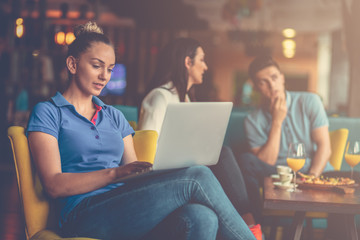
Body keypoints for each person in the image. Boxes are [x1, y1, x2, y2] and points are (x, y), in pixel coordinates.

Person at [26, 22, 255, 240]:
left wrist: (167, 173)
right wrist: (114, 174)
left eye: (110, 69)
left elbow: (135, 176)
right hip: (82, 214)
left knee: (202, 215)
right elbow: (53, 185)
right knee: (198, 175)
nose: (105, 75)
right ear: (73, 65)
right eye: (96, 66)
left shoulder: (114, 116)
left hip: (124, 206)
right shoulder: (48, 112)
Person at [138, 37, 263, 240]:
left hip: (187, 169)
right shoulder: (159, 96)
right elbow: (147, 153)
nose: (205, 66)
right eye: (202, 60)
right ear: (187, 62)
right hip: (166, 178)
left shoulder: (185, 98)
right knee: (223, 154)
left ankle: (248, 224)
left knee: (226, 158)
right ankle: (249, 226)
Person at [238, 55, 334, 223]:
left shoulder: (310, 101)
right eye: (263, 82)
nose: (271, 85)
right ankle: (255, 229)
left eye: (274, 78)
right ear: (256, 87)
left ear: (282, 78)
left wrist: (311, 178)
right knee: (246, 160)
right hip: (278, 174)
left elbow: (325, 146)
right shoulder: (252, 120)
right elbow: (266, 161)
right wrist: (277, 121)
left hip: (314, 170)